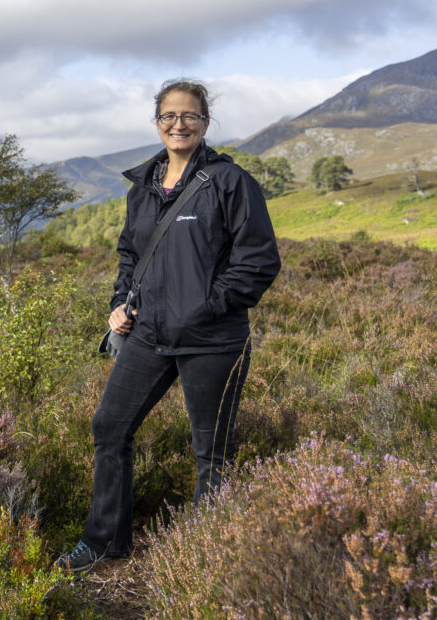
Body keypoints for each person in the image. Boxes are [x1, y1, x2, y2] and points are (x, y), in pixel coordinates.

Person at [57, 79, 281, 572]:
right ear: (157, 122)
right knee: (109, 428)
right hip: (149, 336)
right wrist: (120, 303)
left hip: (213, 340)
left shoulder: (230, 181)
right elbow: (130, 255)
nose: (179, 124)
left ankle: (203, 561)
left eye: (190, 116)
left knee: (211, 452)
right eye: (169, 116)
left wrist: (205, 305)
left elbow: (259, 261)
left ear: (205, 122)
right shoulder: (143, 186)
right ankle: (103, 543)